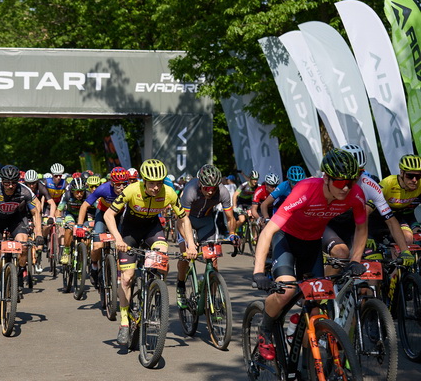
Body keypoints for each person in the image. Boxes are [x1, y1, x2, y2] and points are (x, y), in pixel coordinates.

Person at [252, 149, 368, 361]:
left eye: (351, 182)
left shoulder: (355, 194)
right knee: (287, 291)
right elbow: (268, 231)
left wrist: (355, 260)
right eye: (340, 181)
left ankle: (308, 366)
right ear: (326, 178)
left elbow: (361, 227)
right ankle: (265, 329)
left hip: (313, 243)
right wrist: (259, 271)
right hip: (286, 240)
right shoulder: (306, 190)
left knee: (315, 308)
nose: (345, 187)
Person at [104, 159, 197, 345]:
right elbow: (109, 215)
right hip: (129, 232)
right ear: (144, 181)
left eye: (159, 183)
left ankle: (156, 289)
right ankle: (124, 321)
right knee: (127, 277)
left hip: (152, 229)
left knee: (162, 256)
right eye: (152, 183)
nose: (156, 188)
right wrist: (118, 239)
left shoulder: (169, 193)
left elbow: (184, 219)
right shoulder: (131, 190)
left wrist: (191, 245)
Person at [323, 145, 411, 275]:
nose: (355, 176)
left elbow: (390, 220)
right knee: (341, 253)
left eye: (360, 171)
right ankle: (326, 287)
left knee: (374, 262)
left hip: (352, 228)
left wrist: (405, 250)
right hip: (328, 225)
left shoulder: (369, 185)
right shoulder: (328, 183)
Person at [0, 165, 44, 310]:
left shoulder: (24, 191)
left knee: (24, 246)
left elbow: (35, 212)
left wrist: (39, 233)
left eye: (13, 182)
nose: (10, 186)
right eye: (7, 183)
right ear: (2, 181)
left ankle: (19, 273)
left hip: (16, 222)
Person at [176, 164, 237, 308]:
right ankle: (181, 286)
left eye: (213, 188)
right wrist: (189, 242)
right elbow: (182, 221)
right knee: (185, 256)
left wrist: (232, 234)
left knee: (213, 261)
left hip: (205, 222)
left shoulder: (223, 192)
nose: (210, 192)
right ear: (200, 184)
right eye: (206, 188)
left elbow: (230, 218)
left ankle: (213, 299)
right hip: (187, 221)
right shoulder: (190, 190)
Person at [76, 167, 129, 283]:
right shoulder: (103, 189)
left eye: (124, 184)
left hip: (119, 216)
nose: (122, 187)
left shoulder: (129, 189)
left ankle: (118, 274)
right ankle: (94, 266)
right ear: (112, 183)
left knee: (122, 246)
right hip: (102, 214)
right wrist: (79, 226)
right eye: (118, 184)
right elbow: (84, 206)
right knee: (97, 246)